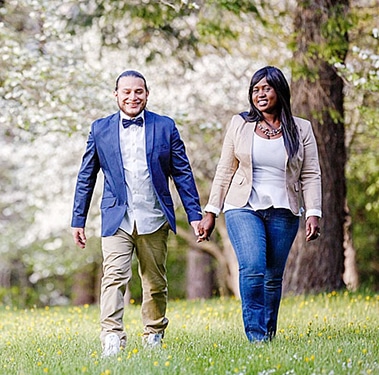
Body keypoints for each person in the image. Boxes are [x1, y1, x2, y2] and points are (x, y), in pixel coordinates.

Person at [71, 70, 202, 357]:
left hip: (153, 217)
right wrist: (78, 219)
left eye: (138, 91)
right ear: (116, 95)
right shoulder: (100, 129)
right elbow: (86, 176)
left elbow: (182, 173)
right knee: (114, 277)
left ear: (147, 94)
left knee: (154, 281)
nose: (133, 97)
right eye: (126, 92)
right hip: (117, 217)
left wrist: (195, 214)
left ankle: (154, 333)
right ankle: (111, 337)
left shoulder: (165, 127)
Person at [197, 66, 322, 343]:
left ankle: (268, 334)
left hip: (284, 210)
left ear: (280, 90)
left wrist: (313, 212)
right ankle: (256, 337)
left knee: (273, 276)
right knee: (253, 267)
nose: (260, 94)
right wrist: (211, 212)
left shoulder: (301, 129)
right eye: (255, 89)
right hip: (243, 207)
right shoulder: (240, 124)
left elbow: (311, 173)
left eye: (266, 88)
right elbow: (224, 170)